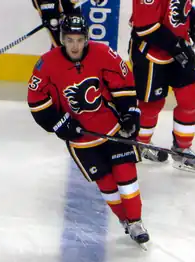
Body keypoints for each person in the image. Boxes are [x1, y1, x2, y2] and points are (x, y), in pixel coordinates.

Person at [27, 14, 150, 245]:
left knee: (126, 175)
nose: (75, 45)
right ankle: (125, 219)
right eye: (70, 39)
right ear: (63, 39)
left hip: (112, 129)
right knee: (106, 182)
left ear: (86, 39)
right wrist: (59, 123)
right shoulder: (46, 64)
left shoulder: (103, 53)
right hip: (81, 139)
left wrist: (129, 113)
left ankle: (135, 221)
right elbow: (36, 100)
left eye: (79, 39)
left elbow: (123, 81)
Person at [128, 0, 195, 173]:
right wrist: (176, 46)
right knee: (151, 105)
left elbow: (178, 5)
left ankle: (182, 150)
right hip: (151, 52)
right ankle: (141, 145)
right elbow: (145, 27)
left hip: (177, 48)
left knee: (190, 98)